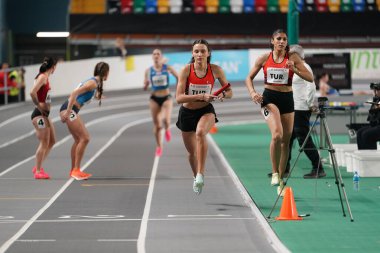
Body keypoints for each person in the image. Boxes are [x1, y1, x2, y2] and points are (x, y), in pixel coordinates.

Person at [245, 29, 313, 196]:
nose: (282, 41)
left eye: (284, 39)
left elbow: (310, 77)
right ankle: (274, 172)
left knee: (286, 142)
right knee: (277, 135)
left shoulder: (293, 57)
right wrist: (253, 93)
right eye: (278, 39)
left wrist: (295, 69)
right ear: (272, 41)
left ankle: (281, 179)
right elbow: (249, 78)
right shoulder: (264, 58)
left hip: (288, 99)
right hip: (269, 99)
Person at [176, 39, 232, 195]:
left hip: (206, 110)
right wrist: (201, 95)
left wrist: (222, 95)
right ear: (192, 54)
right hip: (186, 113)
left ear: (208, 53)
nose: (199, 54)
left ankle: (201, 173)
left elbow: (229, 92)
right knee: (191, 153)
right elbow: (179, 98)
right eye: (196, 51)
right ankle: (196, 176)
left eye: (202, 51)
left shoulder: (216, 70)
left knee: (201, 132)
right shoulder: (186, 70)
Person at [60, 62, 110, 180]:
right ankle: (76, 170)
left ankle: (74, 170)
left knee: (78, 140)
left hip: (71, 109)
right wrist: (67, 112)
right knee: (85, 138)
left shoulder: (94, 83)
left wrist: (98, 96)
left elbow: (84, 95)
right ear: (106, 73)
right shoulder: (92, 83)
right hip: (70, 109)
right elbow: (73, 93)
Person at [286, 45, 326, 179]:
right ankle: (284, 168)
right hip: (293, 108)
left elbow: (311, 86)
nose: (288, 56)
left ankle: (318, 167)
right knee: (288, 138)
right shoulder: (295, 68)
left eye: (290, 54)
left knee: (303, 138)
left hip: (301, 108)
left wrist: (309, 103)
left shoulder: (305, 67)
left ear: (297, 55)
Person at [143, 49, 179, 156]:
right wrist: (145, 84)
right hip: (154, 98)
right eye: (154, 54)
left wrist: (178, 90)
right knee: (157, 126)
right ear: (152, 57)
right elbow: (145, 87)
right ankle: (159, 146)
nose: (156, 55)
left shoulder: (167, 67)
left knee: (166, 120)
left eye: (158, 54)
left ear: (160, 56)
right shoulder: (148, 71)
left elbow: (178, 77)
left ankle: (167, 128)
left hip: (166, 98)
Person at [30, 57, 58, 179]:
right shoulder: (42, 77)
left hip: (45, 114)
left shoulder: (44, 77)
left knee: (52, 141)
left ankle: (38, 166)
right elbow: (32, 92)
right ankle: (38, 171)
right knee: (44, 142)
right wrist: (38, 106)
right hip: (39, 115)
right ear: (53, 67)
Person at [356, 82, 380, 150]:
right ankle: (362, 157)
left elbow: (376, 108)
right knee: (360, 132)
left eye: (378, 90)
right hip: (377, 125)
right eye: (376, 90)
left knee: (367, 134)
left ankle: (371, 159)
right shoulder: (377, 99)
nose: (376, 92)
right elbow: (372, 113)